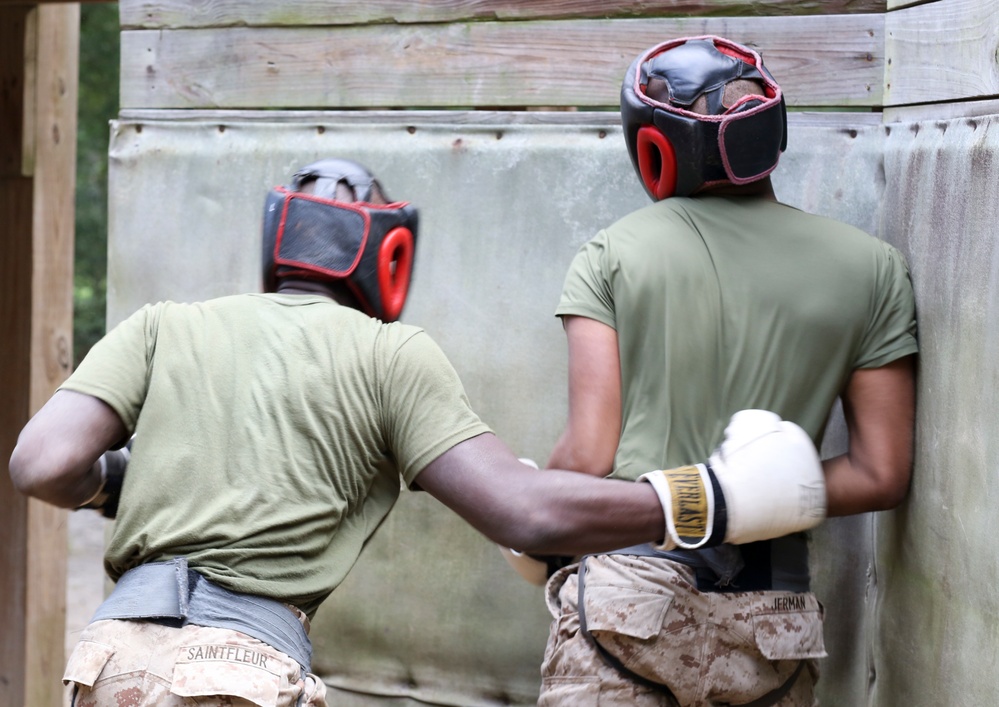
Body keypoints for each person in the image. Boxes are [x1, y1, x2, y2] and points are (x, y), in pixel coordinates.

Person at [8, 158, 825, 707]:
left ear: (277, 240)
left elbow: (42, 463)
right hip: (236, 671)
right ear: (386, 255)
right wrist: (707, 496)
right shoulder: (389, 352)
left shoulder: (164, 325)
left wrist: (117, 483)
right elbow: (523, 513)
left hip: (110, 656)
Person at [534, 36, 918, 707]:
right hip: (770, 621)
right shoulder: (871, 267)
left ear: (653, 147)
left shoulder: (611, 255)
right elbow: (880, 472)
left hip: (629, 599)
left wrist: (534, 510)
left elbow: (588, 452)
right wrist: (754, 493)